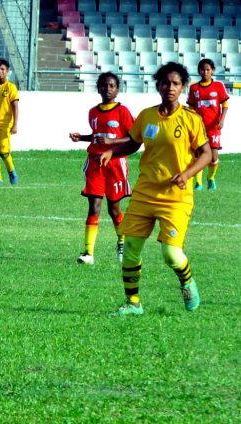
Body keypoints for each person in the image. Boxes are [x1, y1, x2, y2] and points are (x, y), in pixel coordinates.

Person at [100, 62, 212, 315]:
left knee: (171, 255)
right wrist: (111, 150)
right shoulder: (147, 116)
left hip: (175, 197)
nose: (170, 87)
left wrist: (187, 174)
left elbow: (206, 154)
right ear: (158, 85)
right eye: (165, 83)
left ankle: (187, 283)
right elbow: (132, 142)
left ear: (183, 87)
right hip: (145, 193)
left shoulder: (191, 119)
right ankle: (133, 303)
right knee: (130, 249)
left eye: (175, 83)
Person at [68, 72, 134, 265]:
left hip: (115, 164)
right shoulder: (93, 112)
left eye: (111, 86)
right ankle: (88, 253)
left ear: (117, 89)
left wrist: (113, 142)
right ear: (98, 88)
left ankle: (121, 241)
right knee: (94, 206)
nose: (107, 89)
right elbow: (98, 135)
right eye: (104, 86)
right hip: (96, 163)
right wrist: (82, 138)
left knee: (114, 209)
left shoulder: (123, 112)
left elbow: (132, 137)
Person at [187, 58, 229, 191]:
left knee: (213, 156)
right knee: (198, 155)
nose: (205, 72)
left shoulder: (218, 86)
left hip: (213, 127)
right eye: (202, 70)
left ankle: (211, 178)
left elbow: (225, 105)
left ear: (212, 71)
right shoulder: (194, 88)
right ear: (199, 71)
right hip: (199, 128)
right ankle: (198, 183)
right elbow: (191, 108)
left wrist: (222, 120)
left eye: (208, 70)